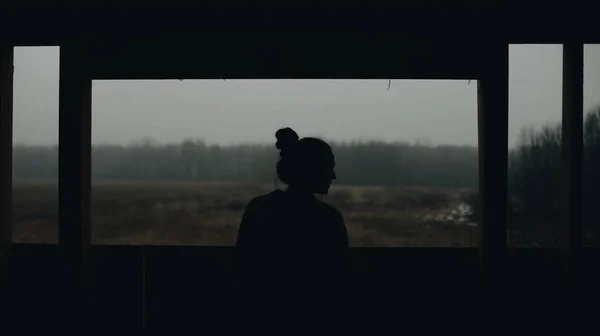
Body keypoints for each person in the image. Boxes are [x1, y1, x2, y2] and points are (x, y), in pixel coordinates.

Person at [234, 127, 349, 317]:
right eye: (330, 168)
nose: (333, 176)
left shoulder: (259, 208)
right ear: (314, 170)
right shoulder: (328, 219)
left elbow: (244, 268)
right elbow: (336, 279)